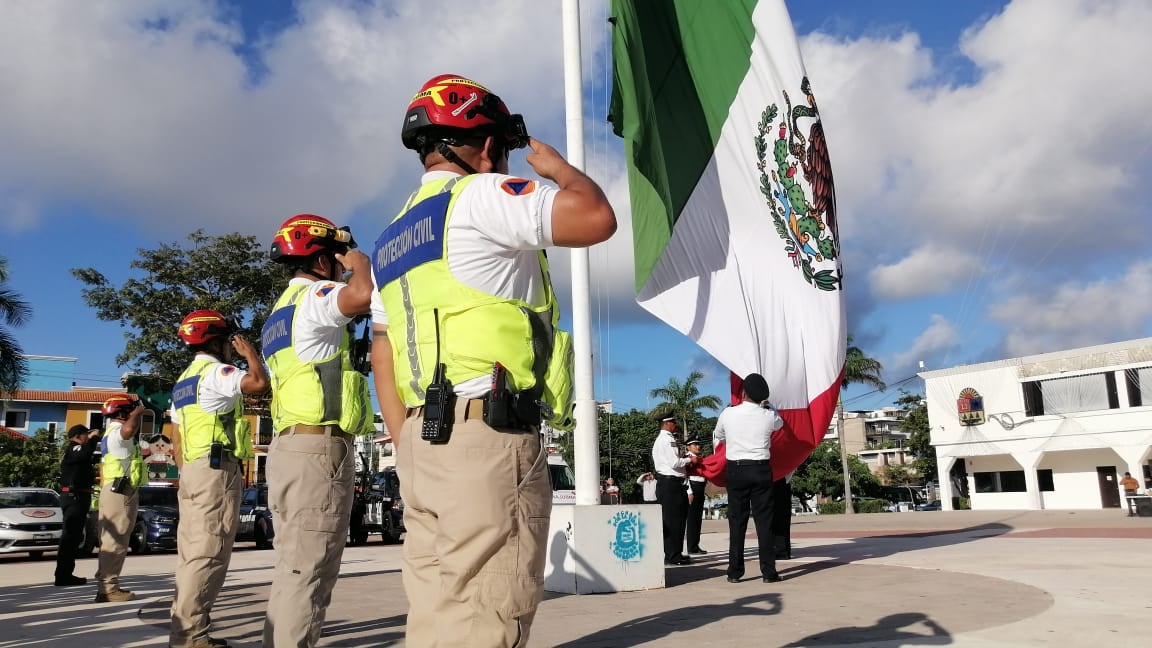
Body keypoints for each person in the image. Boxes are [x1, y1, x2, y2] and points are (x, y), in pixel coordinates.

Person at [370, 73, 616, 647]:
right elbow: (595, 218)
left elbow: (382, 351)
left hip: (420, 440)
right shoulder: (479, 196)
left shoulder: (393, 237)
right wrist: (557, 168)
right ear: (485, 146)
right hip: (487, 436)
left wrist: (404, 442)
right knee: (487, 610)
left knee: (436, 612)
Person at [260, 214, 376, 647]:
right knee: (310, 571)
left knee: (294, 568)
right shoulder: (316, 295)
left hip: (292, 448)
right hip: (316, 450)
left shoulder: (279, 313)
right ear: (324, 259)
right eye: (335, 256)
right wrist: (359, 263)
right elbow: (362, 295)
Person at [169, 309, 269, 648]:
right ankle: (190, 636)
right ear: (215, 342)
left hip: (193, 471)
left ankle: (187, 629)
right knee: (209, 553)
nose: (231, 346)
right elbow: (258, 383)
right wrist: (251, 355)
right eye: (228, 341)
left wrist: (187, 471)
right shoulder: (215, 372)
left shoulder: (184, 382)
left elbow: (177, 438)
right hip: (215, 470)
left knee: (191, 554)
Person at [713, 373, 783, 584]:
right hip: (761, 469)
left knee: (737, 521)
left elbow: (719, 435)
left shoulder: (728, 413)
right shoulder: (768, 415)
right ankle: (768, 572)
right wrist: (769, 406)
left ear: (743, 392)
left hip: (736, 470)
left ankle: (735, 571)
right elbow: (779, 424)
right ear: (762, 397)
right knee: (764, 522)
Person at [94, 393, 147, 602]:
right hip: (119, 492)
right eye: (131, 411)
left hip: (115, 490)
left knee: (113, 540)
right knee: (115, 541)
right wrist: (139, 412)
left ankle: (107, 586)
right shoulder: (118, 431)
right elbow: (128, 429)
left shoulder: (110, 432)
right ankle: (108, 589)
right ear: (125, 412)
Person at [54, 424, 101, 587]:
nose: (88, 437)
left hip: (78, 496)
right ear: (79, 436)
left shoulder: (77, 451)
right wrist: (94, 437)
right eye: (86, 435)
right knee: (69, 537)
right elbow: (85, 452)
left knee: (73, 537)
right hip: (74, 496)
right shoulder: (74, 448)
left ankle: (66, 573)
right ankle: (63, 575)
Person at [651, 414, 697, 566]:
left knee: (676, 520)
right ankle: (672, 556)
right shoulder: (667, 439)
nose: (675, 424)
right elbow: (674, 462)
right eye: (673, 422)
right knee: (673, 521)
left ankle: (675, 553)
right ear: (666, 424)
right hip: (671, 484)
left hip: (671, 484)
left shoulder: (663, 439)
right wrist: (690, 459)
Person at [683, 439, 708, 554]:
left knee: (697, 519)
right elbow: (684, 476)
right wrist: (689, 492)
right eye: (694, 445)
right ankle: (691, 547)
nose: (698, 446)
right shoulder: (687, 458)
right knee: (692, 519)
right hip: (693, 487)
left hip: (700, 487)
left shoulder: (699, 459)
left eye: (698, 444)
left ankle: (695, 545)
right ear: (688, 447)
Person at [771, 472, 794, 560]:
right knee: (781, 517)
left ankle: (780, 550)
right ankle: (780, 550)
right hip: (779, 477)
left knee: (780, 516)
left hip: (778, 478)